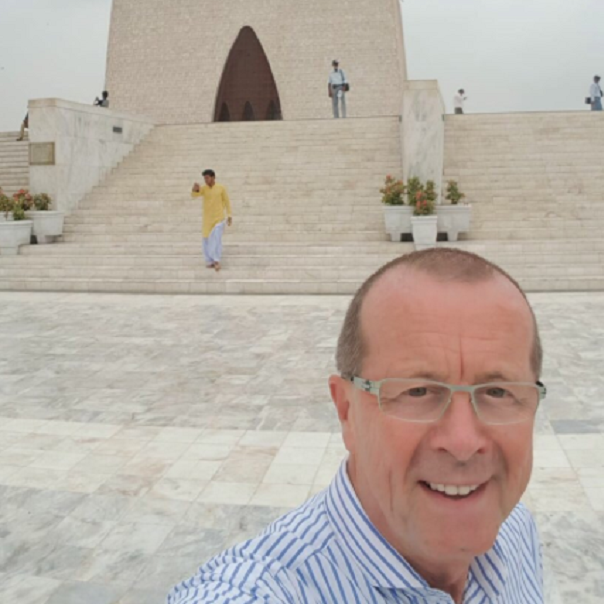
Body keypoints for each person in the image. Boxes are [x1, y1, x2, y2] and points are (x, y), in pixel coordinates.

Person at [168, 248, 546, 604]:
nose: (463, 442)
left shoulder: (515, 529)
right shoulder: (260, 591)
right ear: (346, 410)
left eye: (497, 391)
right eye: (417, 391)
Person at [191, 169, 232, 271]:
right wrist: (194, 189)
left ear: (213, 177)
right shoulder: (204, 189)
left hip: (219, 219)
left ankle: (216, 260)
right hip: (207, 220)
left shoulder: (221, 188)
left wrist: (229, 215)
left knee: (216, 239)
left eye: (207, 178)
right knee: (206, 240)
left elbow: (227, 201)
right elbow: (194, 195)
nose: (205, 180)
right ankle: (209, 260)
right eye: (204, 178)